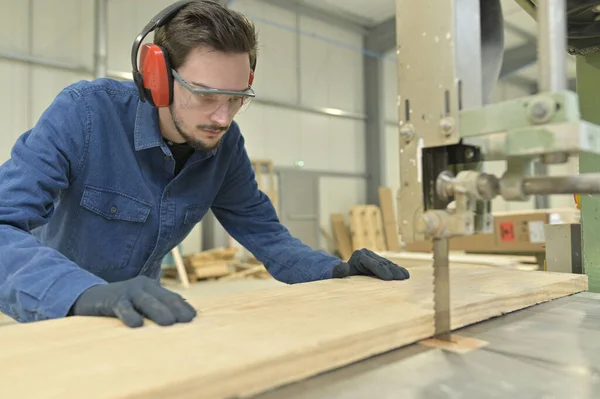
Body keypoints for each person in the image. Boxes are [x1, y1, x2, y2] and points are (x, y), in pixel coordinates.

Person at [0, 0, 409, 328]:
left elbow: (265, 233)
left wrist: (334, 271)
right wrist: (82, 293)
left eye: (236, 98)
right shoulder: (85, 115)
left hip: (140, 314)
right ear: (157, 78)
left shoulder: (225, 147)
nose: (223, 117)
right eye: (207, 95)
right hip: (53, 311)